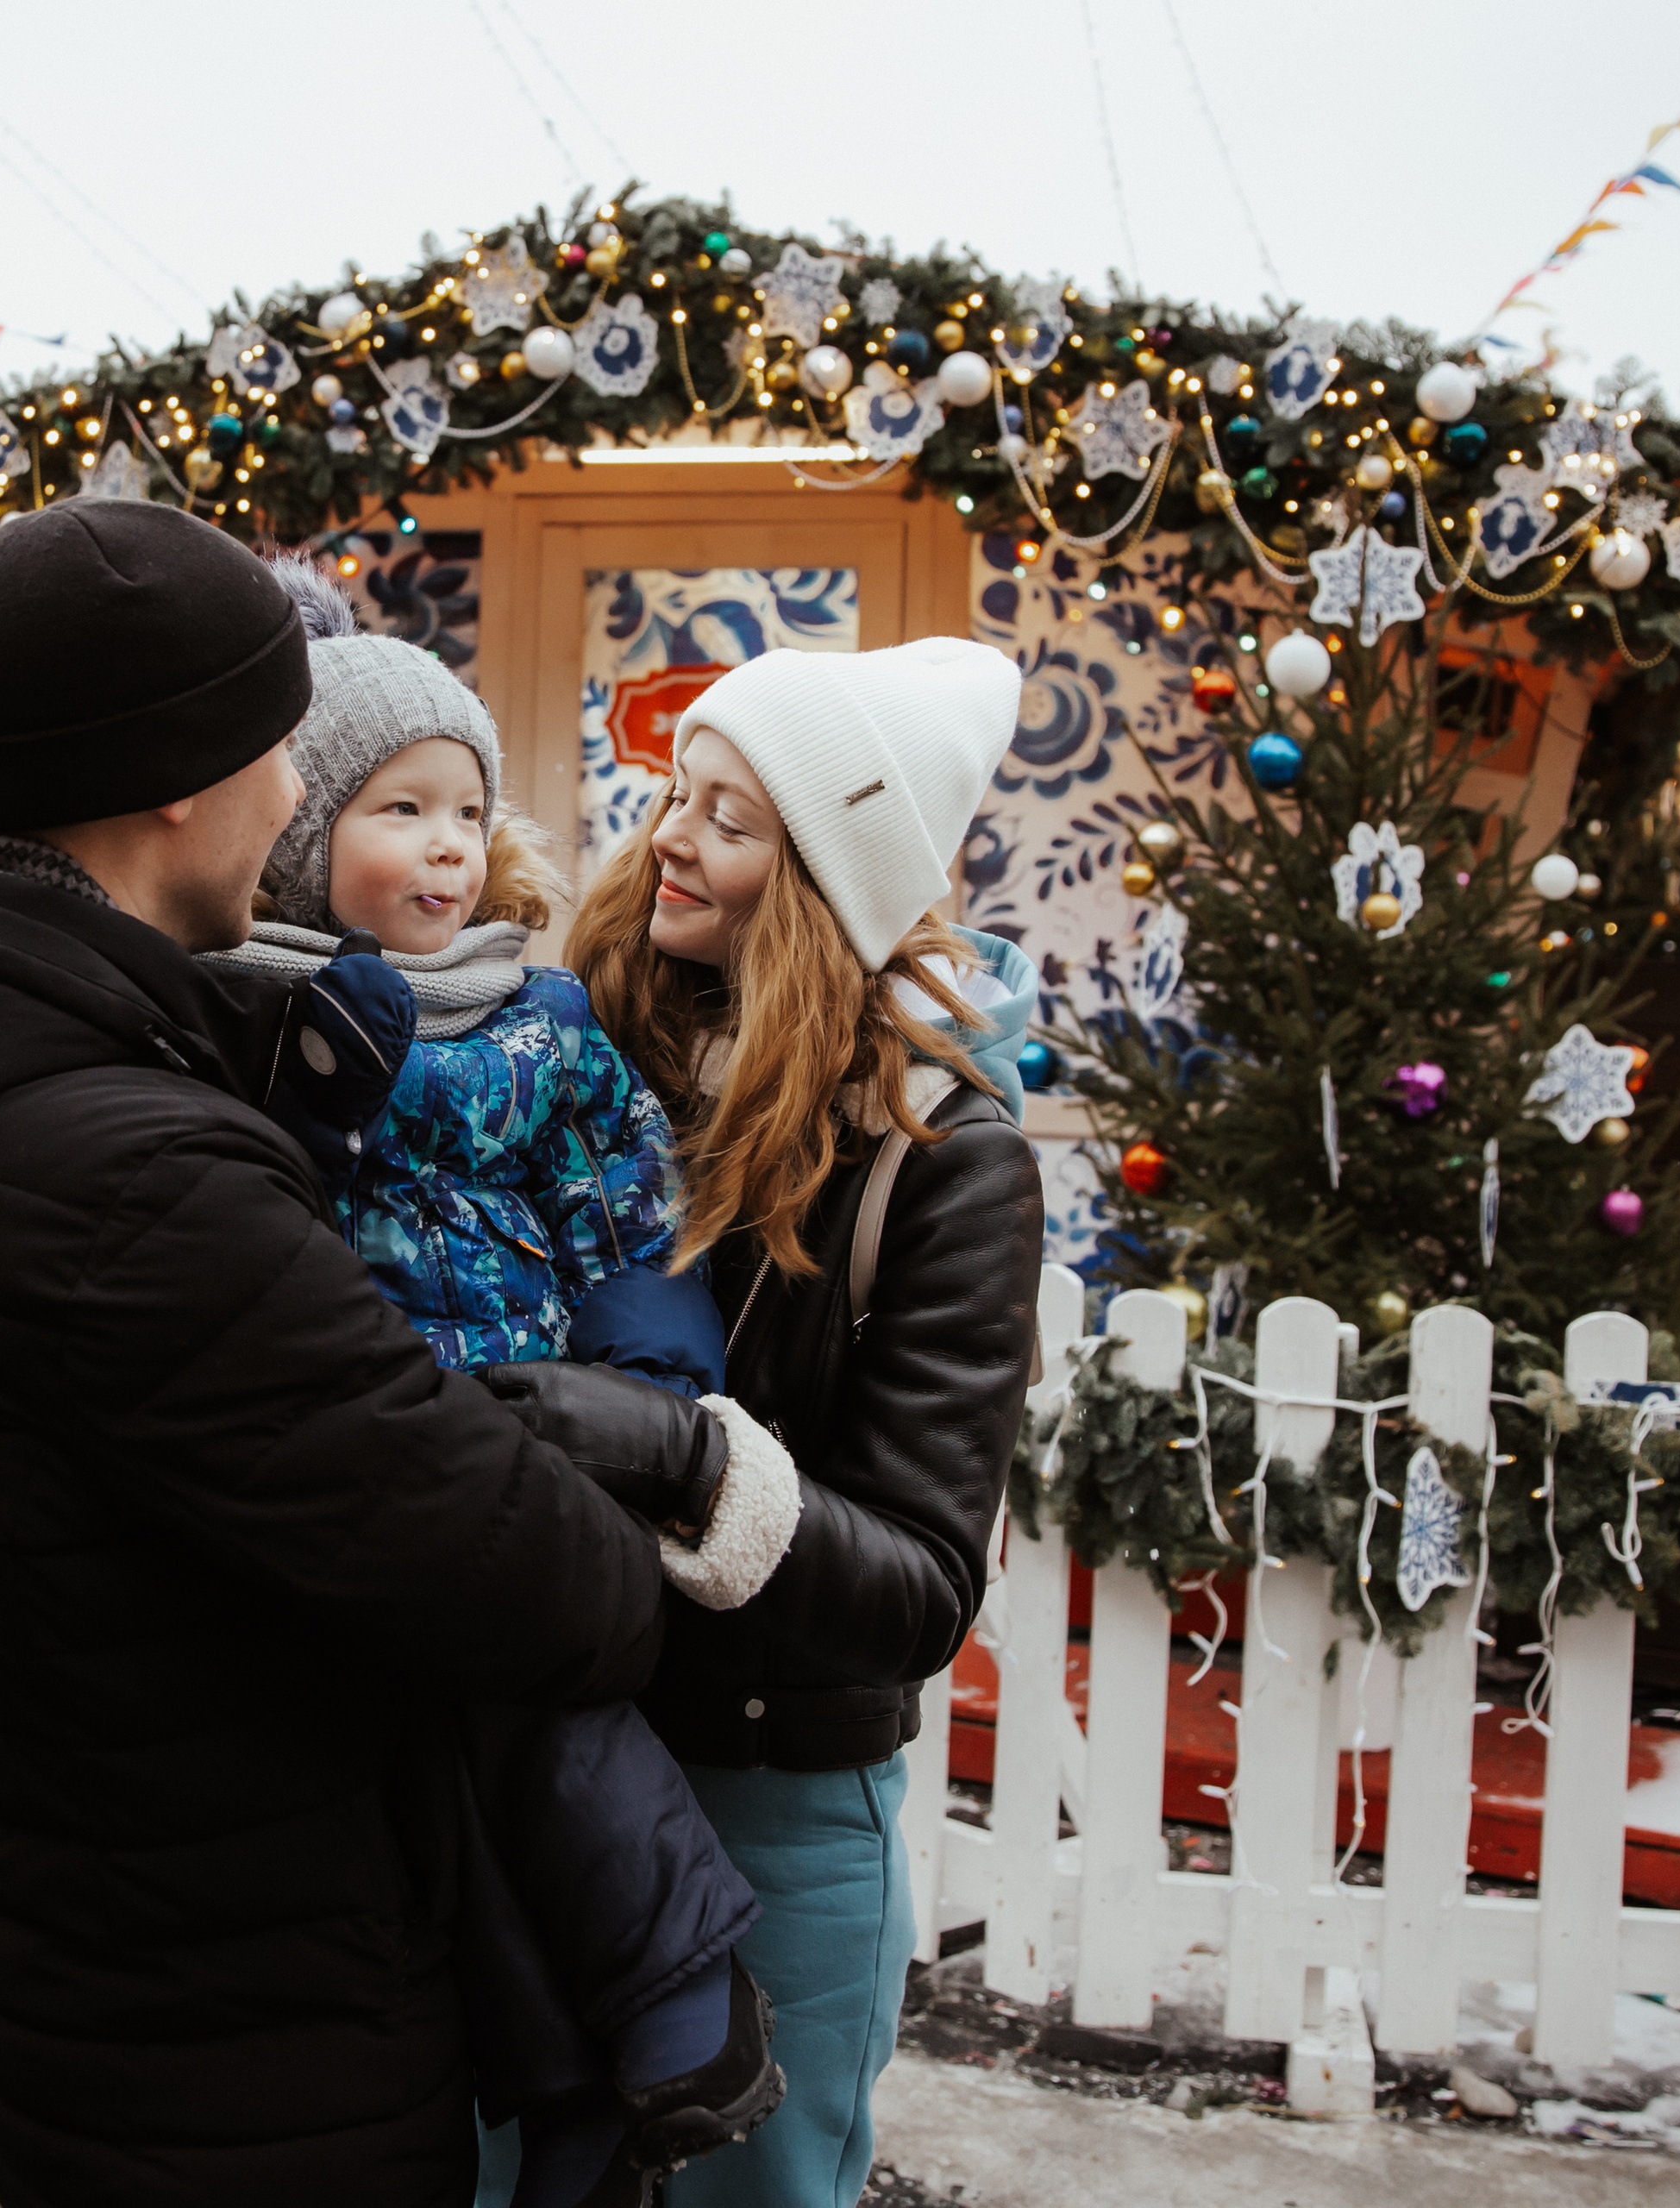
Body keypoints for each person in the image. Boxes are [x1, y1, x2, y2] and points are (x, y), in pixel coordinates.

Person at [0, 500, 741, 2208]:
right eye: (280, 745)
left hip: (42, 1912)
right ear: (184, 777)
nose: (295, 791)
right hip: (236, 2018)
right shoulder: (133, 1178)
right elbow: (534, 1580)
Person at [210, 561, 799, 2208]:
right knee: (450, 1776)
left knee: (547, 1710)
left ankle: (688, 1998)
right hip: (364, 1418)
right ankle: (569, 2092)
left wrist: (647, 1381)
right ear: (305, 834)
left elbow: (624, 1194)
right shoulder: (249, 1011)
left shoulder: (538, 1017)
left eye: (469, 809)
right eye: (402, 810)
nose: (451, 845)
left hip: (533, 1411)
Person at [566, 639, 1045, 2208]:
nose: (671, 840)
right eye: (675, 795)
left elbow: (919, 1581)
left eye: (732, 818)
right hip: (550, 1753)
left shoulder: (942, 1161)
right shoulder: (575, 1064)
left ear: (829, 880)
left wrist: (696, 1465)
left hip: (774, 1804)